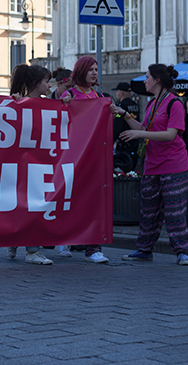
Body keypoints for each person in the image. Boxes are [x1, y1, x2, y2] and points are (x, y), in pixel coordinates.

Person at [111, 64, 188, 266]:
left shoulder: (174, 103)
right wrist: (124, 113)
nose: (144, 80)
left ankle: (182, 251)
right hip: (152, 164)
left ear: (157, 79)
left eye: (147, 77)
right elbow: (144, 128)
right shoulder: (151, 103)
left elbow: (171, 134)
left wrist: (140, 133)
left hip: (173, 164)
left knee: (174, 210)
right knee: (148, 210)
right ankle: (144, 249)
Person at [5, 64, 55, 265]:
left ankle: (30, 248)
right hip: (22, 164)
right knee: (25, 204)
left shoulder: (51, 105)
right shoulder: (18, 104)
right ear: (36, 83)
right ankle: (22, 243)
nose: (49, 85)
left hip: (39, 164)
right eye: (46, 81)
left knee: (34, 204)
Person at [61, 56, 109, 263]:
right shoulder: (69, 94)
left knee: (94, 201)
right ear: (81, 71)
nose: (95, 73)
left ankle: (93, 247)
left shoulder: (99, 96)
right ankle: (65, 237)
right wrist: (64, 105)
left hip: (95, 156)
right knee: (71, 199)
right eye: (91, 69)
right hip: (73, 154)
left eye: (97, 69)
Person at [112, 82, 140, 173]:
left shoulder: (121, 106)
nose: (116, 94)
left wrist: (112, 139)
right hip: (134, 140)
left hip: (124, 141)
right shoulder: (135, 105)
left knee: (123, 169)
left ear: (121, 93)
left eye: (117, 92)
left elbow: (118, 124)